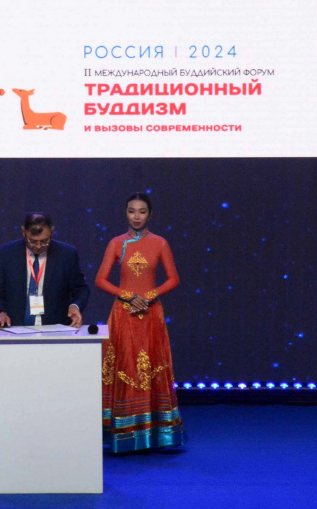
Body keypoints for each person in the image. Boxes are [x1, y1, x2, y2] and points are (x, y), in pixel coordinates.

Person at [94, 193, 185, 452]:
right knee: (124, 367)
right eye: (132, 211)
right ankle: (121, 433)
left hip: (150, 313)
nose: (136, 216)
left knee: (152, 367)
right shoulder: (116, 243)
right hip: (123, 314)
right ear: (125, 213)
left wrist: (148, 296)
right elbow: (100, 280)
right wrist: (128, 296)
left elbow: (174, 279)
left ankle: (155, 433)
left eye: (142, 211)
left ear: (150, 215)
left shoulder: (160, 243)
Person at [0, 212, 89, 329]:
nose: (38, 246)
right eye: (32, 241)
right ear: (23, 232)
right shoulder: (7, 253)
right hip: (15, 329)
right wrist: (0, 312)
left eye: (44, 241)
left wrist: (75, 306)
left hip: (55, 329)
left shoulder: (67, 254)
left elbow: (81, 290)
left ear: (52, 232)